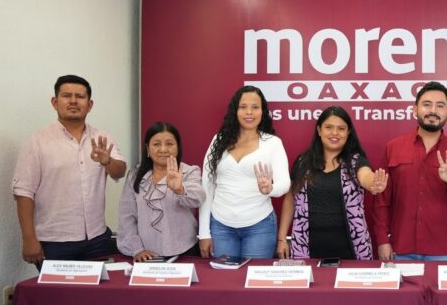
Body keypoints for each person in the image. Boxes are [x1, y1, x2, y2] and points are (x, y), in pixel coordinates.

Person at [13, 75, 127, 265]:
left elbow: (120, 171)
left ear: (89, 105)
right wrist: (29, 239)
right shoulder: (37, 141)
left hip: (97, 239)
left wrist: (107, 161)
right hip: (54, 242)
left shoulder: (102, 137)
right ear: (54, 102)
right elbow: (24, 192)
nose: (73, 101)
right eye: (67, 96)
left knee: (102, 286)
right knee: (56, 287)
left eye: (80, 96)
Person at [374, 82, 447, 261]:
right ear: (415, 110)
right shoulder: (393, 147)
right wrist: (382, 240)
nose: (433, 110)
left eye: (440, 105)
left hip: (443, 251)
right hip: (401, 248)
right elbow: (382, 199)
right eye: (427, 104)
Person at [277, 107, 388, 260]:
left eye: (341, 129)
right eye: (328, 127)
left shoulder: (356, 162)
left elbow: (366, 176)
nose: (334, 133)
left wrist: (373, 184)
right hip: (306, 247)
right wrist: (282, 238)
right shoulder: (303, 162)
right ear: (319, 130)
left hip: (352, 249)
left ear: (348, 132)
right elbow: (290, 199)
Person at [199, 86, 290, 259]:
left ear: (262, 111)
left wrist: (270, 189)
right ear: (235, 111)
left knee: (254, 276)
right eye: (243, 107)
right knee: (225, 276)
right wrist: (204, 233)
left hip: (260, 226)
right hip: (221, 226)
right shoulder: (218, 140)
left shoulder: (272, 143)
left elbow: (284, 183)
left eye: (255, 107)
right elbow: (207, 186)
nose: (249, 112)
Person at [117, 122, 204, 261]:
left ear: (178, 147)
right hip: (146, 254)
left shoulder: (189, 171)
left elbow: (197, 199)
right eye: (156, 144)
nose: (163, 149)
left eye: (169, 144)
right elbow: (126, 216)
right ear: (147, 149)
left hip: (185, 250)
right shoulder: (134, 176)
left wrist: (179, 189)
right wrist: (136, 249)